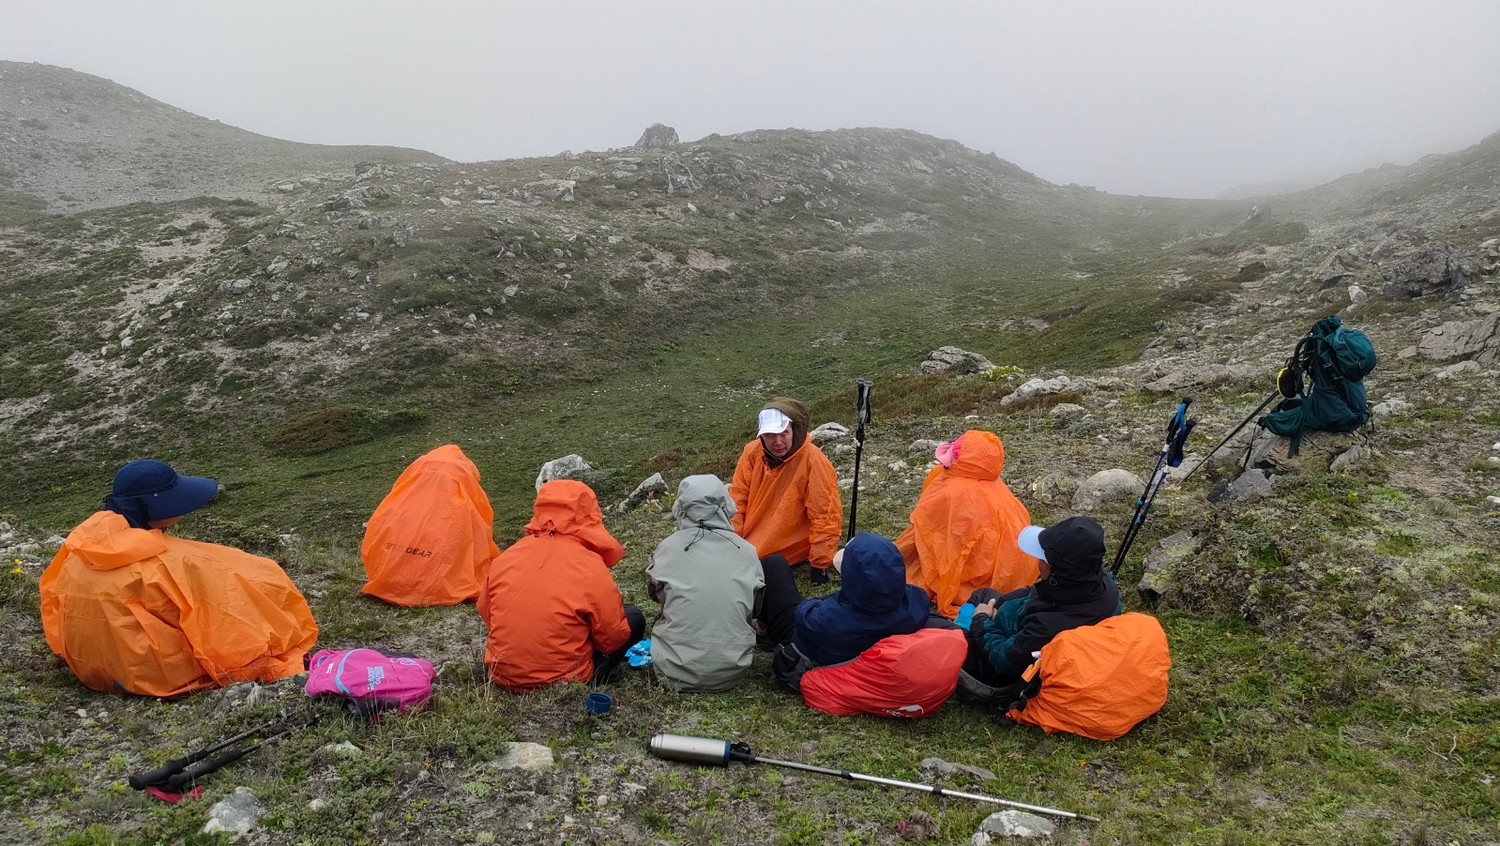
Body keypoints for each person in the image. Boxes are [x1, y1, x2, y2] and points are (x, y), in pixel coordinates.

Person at [39, 459, 318, 698]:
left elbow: (54, 609)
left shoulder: (78, 549)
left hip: (91, 669)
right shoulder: (172, 564)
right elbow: (227, 634)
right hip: (158, 676)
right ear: (153, 506)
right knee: (255, 581)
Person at [478, 480, 644, 692]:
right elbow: (612, 638)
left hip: (502, 675)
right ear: (591, 515)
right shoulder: (589, 565)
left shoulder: (507, 556)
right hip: (564, 681)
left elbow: (486, 611)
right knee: (634, 617)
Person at [961, 516, 1122, 692]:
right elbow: (1036, 592)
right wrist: (1000, 605)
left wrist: (981, 619)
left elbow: (1003, 660)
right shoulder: (1100, 583)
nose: (1038, 562)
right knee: (984, 595)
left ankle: (962, 631)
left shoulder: (1048, 627)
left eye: (1042, 559)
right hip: (1023, 632)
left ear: (1055, 574)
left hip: (1005, 670)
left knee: (948, 633)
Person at [893, 430, 1039, 618]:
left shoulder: (951, 491)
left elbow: (929, 535)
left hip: (979, 580)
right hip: (1017, 575)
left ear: (960, 462)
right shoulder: (996, 486)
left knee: (918, 565)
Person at [758, 532, 931, 687]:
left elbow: (802, 612)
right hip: (862, 649)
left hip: (812, 646)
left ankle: (764, 628)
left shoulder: (828, 618)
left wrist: (835, 598)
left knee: (774, 564)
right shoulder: (917, 603)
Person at [645, 475, 765, 693]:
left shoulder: (668, 547)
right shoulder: (747, 551)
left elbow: (654, 593)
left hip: (671, 670)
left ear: (681, 507)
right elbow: (756, 606)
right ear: (726, 505)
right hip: (732, 671)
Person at [360, 444, 500, 606]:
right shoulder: (465, 508)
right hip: (437, 586)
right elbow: (481, 541)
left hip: (388, 580)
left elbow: (374, 536)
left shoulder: (397, 503)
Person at [729, 398, 842, 584]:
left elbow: (824, 514)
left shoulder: (813, 460)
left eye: (784, 433)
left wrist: (819, 563)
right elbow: (737, 500)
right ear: (761, 436)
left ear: (794, 430)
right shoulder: (752, 453)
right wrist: (731, 541)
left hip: (787, 544)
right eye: (770, 435)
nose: (778, 442)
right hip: (749, 538)